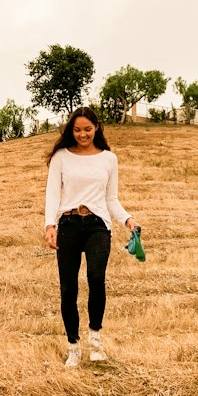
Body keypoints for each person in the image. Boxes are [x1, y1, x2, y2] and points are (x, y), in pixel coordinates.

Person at [44, 106, 137, 367]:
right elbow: (52, 194)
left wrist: (128, 219)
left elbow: (111, 198)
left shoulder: (109, 158)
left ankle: (95, 339)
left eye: (87, 129)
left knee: (96, 279)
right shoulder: (61, 157)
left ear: (96, 128)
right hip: (69, 225)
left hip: (98, 225)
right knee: (68, 288)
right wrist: (50, 225)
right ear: (70, 130)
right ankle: (73, 346)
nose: (82, 134)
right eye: (77, 130)